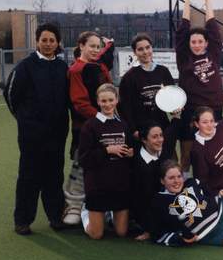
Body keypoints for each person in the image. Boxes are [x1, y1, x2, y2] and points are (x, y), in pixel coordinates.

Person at [3, 23, 70, 235]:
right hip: (32, 136)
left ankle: (56, 216)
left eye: (52, 40)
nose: (48, 44)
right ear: (37, 41)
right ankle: (23, 220)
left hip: (57, 134)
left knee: (54, 176)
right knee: (29, 177)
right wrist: (25, 120)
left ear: (58, 42)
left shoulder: (62, 67)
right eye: (44, 40)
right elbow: (11, 95)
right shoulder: (25, 66)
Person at [63, 31, 114, 225]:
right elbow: (79, 102)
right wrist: (101, 117)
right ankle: (74, 205)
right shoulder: (76, 70)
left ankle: (106, 204)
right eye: (91, 46)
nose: (95, 49)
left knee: (106, 162)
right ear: (81, 46)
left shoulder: (100, 66)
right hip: (84, 127)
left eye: (98, 46)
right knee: (81, 163)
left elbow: (109, 91)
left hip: (106, 125)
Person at [176, 0, 223, 175]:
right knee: (187, 157)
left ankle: (210, 191)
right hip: (190, 111)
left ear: (206, 43)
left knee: (213, 154)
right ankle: (185, 191)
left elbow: (212, 27)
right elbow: (182, 31)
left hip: (213, 109)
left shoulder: (214, 53)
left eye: (200, 42)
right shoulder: (184, 57)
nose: (196, 45)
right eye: (193, 42)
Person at [79, 83, 134, 239]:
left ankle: (109, 214)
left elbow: (129, 149)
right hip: (98, 185)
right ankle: (85, 212)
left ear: (117, 100)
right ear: (97, 102)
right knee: (96, 235)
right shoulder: (89, 126)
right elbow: (84, 159)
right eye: (103, 101)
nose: (108, 104)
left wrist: (130, 153)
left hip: (119, 183)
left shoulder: (123, 125)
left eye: (111, 100)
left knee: (121, 233)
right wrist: (107, 150)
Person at [118, 32, 177, 158]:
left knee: (168, 164)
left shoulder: (163, 71)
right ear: (134, 52)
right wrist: (134, 131)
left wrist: (175, 109)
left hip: (162, 128)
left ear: (152, 48)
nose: (145, 52)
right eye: (140, 49)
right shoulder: (129, 77)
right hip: (142, 131)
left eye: (147, 47)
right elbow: (124, 108)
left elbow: (172, 98)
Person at [130, 122, 172, 241]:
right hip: (140, 204)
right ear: (144, 140)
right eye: (154, 137)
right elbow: (142, 201)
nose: (160, 140)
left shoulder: (165, 148)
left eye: (161, 135)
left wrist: (176, 116)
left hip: (160, 201)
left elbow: (173, 129)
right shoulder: (139, 165)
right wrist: (149, 230)